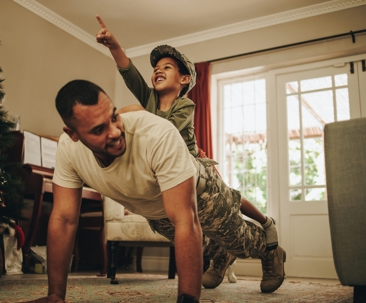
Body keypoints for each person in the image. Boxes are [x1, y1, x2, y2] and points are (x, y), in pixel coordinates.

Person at [23, 79, 286, 303]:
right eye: (99, 129)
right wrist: (56, 295)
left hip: (203, 194)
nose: (115, 132)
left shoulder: (157, 134)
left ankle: (270, 250)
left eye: (114, 116)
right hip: (157, 211)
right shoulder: (69, 150)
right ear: (73, 134)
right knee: (203, 248)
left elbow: (185, 218)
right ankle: (221, 254)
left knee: (240, 244)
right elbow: (64, 219)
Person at [95, 15, 278, 288]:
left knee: (230, 204)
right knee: (191, 233)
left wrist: (135, 111)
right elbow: (129, 72)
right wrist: (114, 46)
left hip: (194, 171)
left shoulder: (184, 106)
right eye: (155, 67)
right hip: (164, 180)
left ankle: (270, 247)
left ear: (184, 78)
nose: (158, 70)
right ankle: (219, 256)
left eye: (166, 67)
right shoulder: (149, 100)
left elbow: (165, 132)